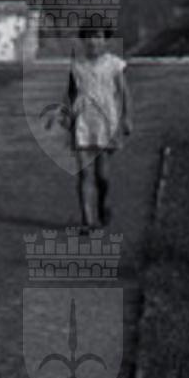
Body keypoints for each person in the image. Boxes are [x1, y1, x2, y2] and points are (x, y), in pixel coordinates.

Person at [60, 16, 131, 231]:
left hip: (106, 123)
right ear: (83, 40)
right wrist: (66, 114)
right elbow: (70, 94)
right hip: (83, 123)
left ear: (105, 39)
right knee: (84, 173)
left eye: (98, 36)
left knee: (102, 175)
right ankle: (87, 220)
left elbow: (124, 93)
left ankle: (103, 202)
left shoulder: (114, 65)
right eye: (89, 37)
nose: (93, 41)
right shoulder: (77, 66)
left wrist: (127, 118)